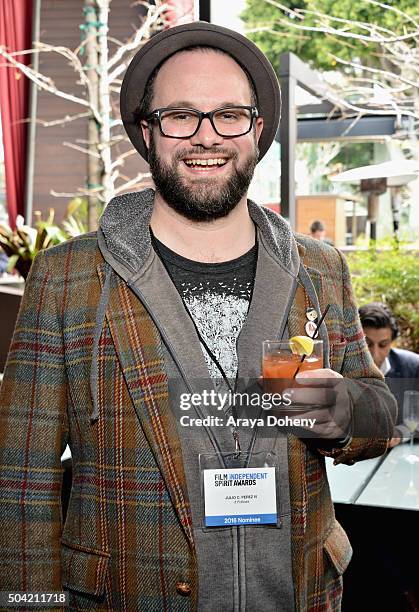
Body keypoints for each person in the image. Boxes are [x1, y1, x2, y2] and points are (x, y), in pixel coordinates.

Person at [0, 22, 396, 611]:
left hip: (297, 594)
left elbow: (381, 413)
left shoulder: (320, 268)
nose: (205, 137)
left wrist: (339, 410)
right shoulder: (67, 279)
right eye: (180, 116)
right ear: (147, 130)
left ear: (257, 131)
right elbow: (20, 480)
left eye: (229, 115)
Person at [359, 301, 419, 447]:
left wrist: (401, 433)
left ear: (392, 342)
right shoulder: (338, 370)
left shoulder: (414, 367)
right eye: (367, 344)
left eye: (383, 344)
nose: (374, 354)